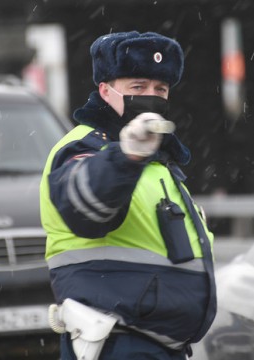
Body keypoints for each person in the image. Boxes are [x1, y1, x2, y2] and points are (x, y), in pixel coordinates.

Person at [39, 31, 216, 359]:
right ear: (105, 91)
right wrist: (126, 156)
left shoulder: (158, 160)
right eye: (137, 87)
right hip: (115, 343)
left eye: (160, 89)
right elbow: (87, 207)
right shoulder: (84, 147)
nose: (151, 97)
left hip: (157, 345)